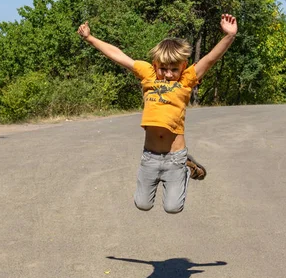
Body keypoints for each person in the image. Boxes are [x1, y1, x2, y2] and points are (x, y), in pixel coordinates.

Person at [77, 14, 237, 213]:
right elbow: (119, 56)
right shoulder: (148, 74)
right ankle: (176, 171)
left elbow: (210, 59)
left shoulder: (186, 80)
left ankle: (187, 168)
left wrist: (229, 36)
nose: (168, 74)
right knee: (142, 204)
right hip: (150, 156)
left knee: (173, 208)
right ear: (155, 65)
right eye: (163, 68)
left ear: (183, 67)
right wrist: (90, 38)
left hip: (175, 157)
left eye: (173, 69)